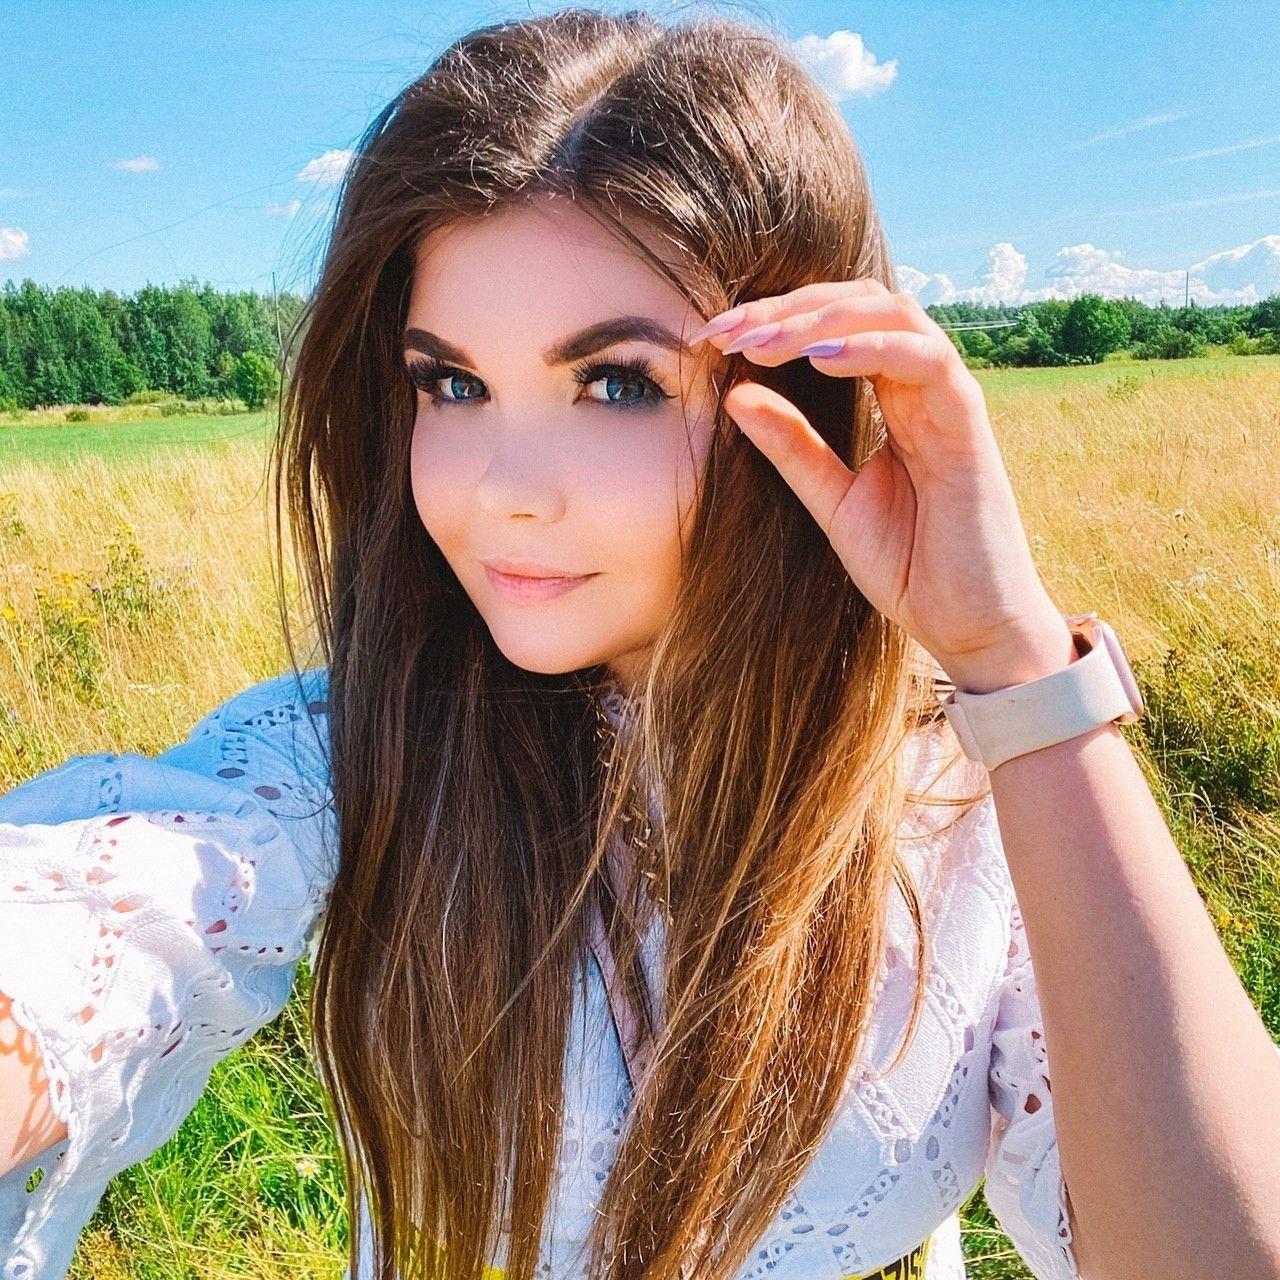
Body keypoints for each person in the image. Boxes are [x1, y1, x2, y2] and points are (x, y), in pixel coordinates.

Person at [3, 6, 1280, 1280]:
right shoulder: (344, 753)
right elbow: (91, 921)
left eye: (615, 383)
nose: (504, 489)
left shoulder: (966, 794)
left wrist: (1011, 660)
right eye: (450, 382)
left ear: (800, 395)